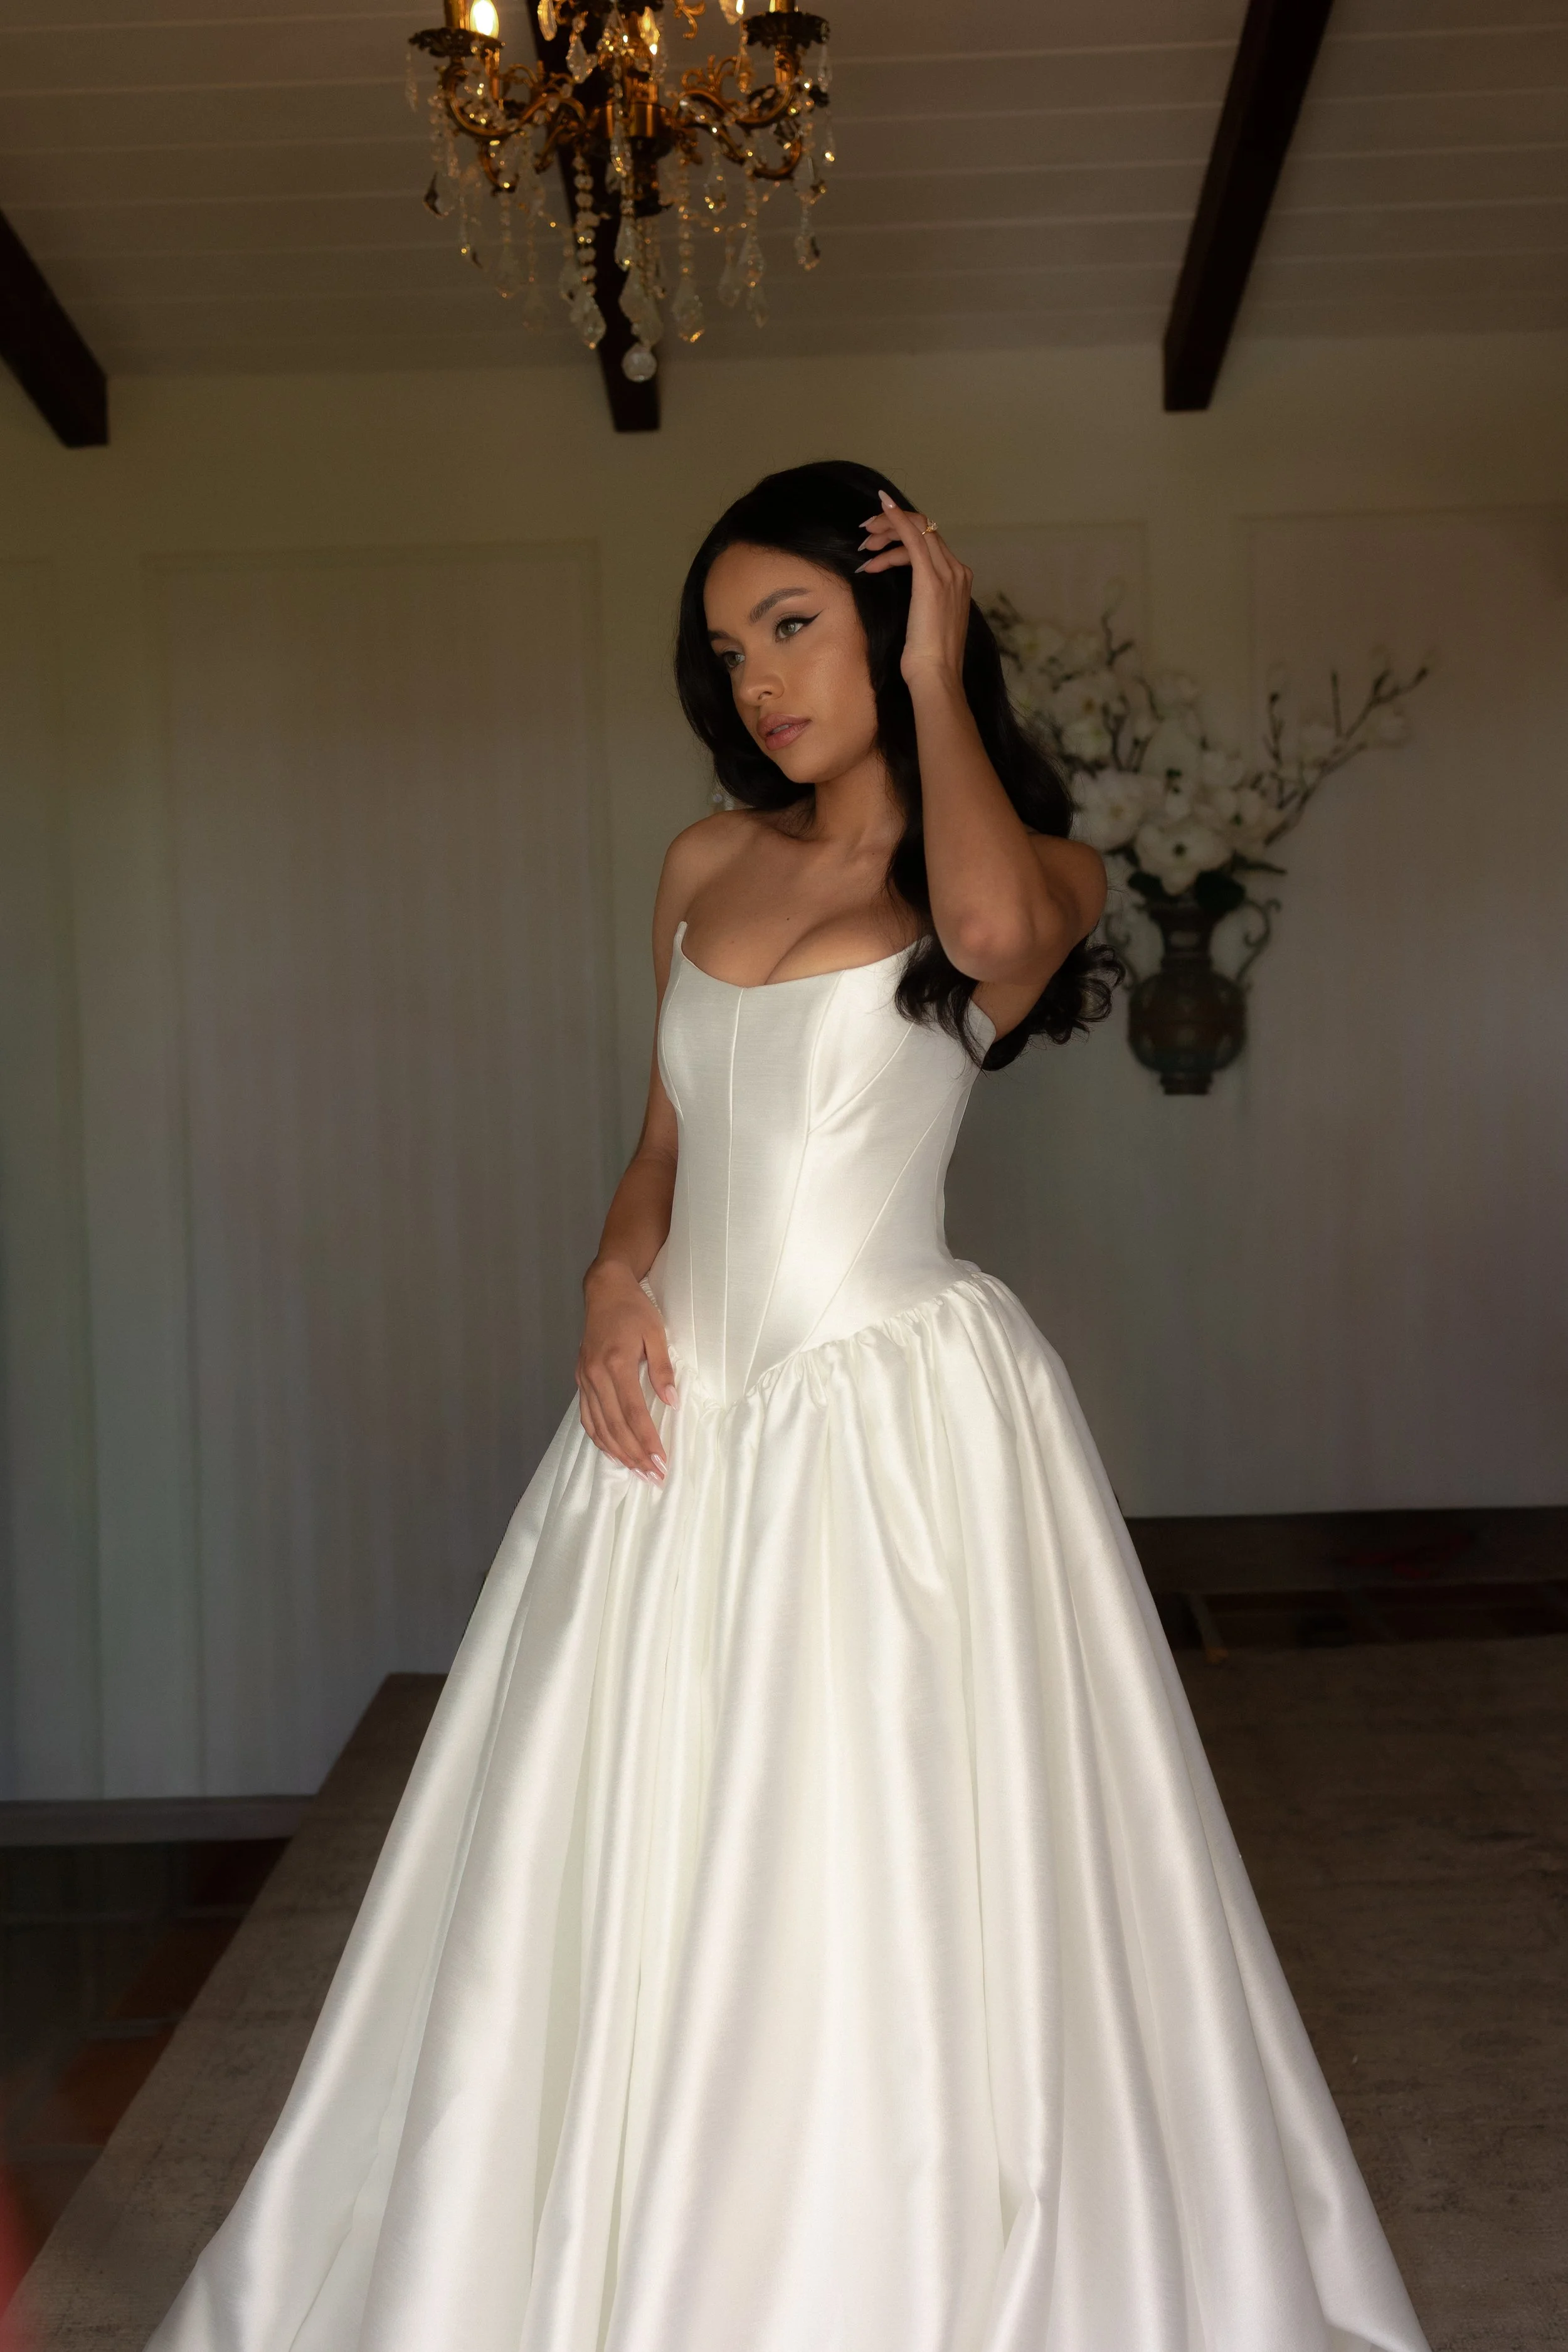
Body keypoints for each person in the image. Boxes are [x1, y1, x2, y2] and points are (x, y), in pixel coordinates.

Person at [147, 460, 1429, 2352]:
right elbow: (663, 1143)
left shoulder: (1026, 872)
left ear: (900, 620)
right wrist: (605, 1279)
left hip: (890, 1422)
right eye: (728, 644)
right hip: (676, 1416)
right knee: (601, 1866)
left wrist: (936, 684)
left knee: (872, 1856)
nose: (753, 678)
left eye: (793, 624)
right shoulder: (698, 860)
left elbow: (992, 940)